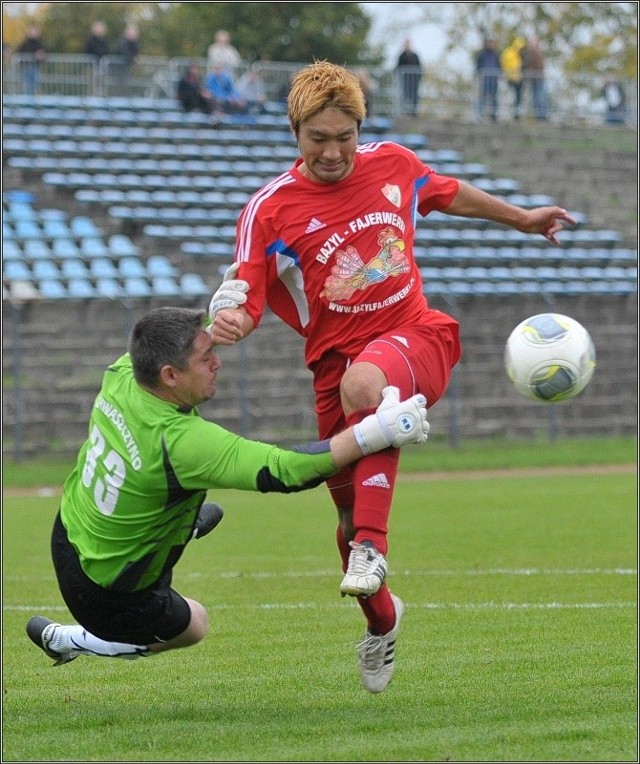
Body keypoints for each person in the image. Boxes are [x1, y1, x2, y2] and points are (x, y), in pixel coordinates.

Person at [208, 60, 577, 694]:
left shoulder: (394, 165)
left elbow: (450, 192)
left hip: (417, 339)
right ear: (295, 132)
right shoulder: (269, 209)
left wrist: (523, 218)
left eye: (344, 137)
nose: (332, 152)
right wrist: (234, 319)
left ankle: (373, 547)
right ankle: (382, 619)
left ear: (360, 127)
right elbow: (247, 288)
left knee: (366, 392)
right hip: (333, 368)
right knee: (346, 519)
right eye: (317, 138)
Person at [26, 306, 428, 668]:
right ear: (170, 375)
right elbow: (286, 470)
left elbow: (169, 346)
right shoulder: (182, 443)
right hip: (108, 594)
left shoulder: (124, 374)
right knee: (195, 623)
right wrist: (376, 431)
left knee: (170, 496)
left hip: (68, 532)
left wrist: (223, 309)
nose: (217, 363)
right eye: (206, 357)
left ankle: (176, 522)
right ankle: (71, 640)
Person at [475, 36, 501, 122]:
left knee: (494, 98)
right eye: (489, 42)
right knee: (482, 98)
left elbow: (499, 66)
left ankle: (493, 115)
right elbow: (478, 67)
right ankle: (480, 115)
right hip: (484, 80)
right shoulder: (481, 55)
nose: (490, 44)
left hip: (494, 80)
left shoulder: (496, 55)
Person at [15, 24, 47, 96]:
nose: (32, 32)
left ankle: (34, 104)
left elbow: (45, 54)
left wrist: (42, 56)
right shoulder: (24, 43)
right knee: (26, 86)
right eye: (31, 31)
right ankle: (27, 104)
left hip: (36, 67)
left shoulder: (40, 43)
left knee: (36, 85)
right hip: (26, 67)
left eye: (34, 31)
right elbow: (18, 53)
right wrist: (33, 56)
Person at [500, 36, 526, 120]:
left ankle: (516, 115)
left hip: (518, 79)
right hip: (510, 79)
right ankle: (508, 115)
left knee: (518, 98)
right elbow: (503, 64)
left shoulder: (520, 55)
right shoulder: (508, 53)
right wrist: (508, 74)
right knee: (510, 97)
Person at [522, 36, 547, 121]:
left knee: (541, 97)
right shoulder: (529, 53)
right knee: (536, 98)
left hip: (539, 78)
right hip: (534, 79)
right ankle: (538, 115)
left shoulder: (539, 53)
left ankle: (542, 115)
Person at [395, 39, 422, 116]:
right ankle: (404, 112)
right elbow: (398, 67)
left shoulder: (415, 56)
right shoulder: (401, 56)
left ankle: (414, 113)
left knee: (414, 97)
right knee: (404, 96)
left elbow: (419, 67)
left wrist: (419, 78)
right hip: (405, 81)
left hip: (414, 81)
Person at [113, 23, 139, 95]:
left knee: (125, 85)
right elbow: (125, 54)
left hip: (127, 68)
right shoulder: (122, 42)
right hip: (119, 68)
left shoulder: (134, 43)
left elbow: (135, 53)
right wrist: (133, 59)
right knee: (120, 85)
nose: (133, 34)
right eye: (131, 32)